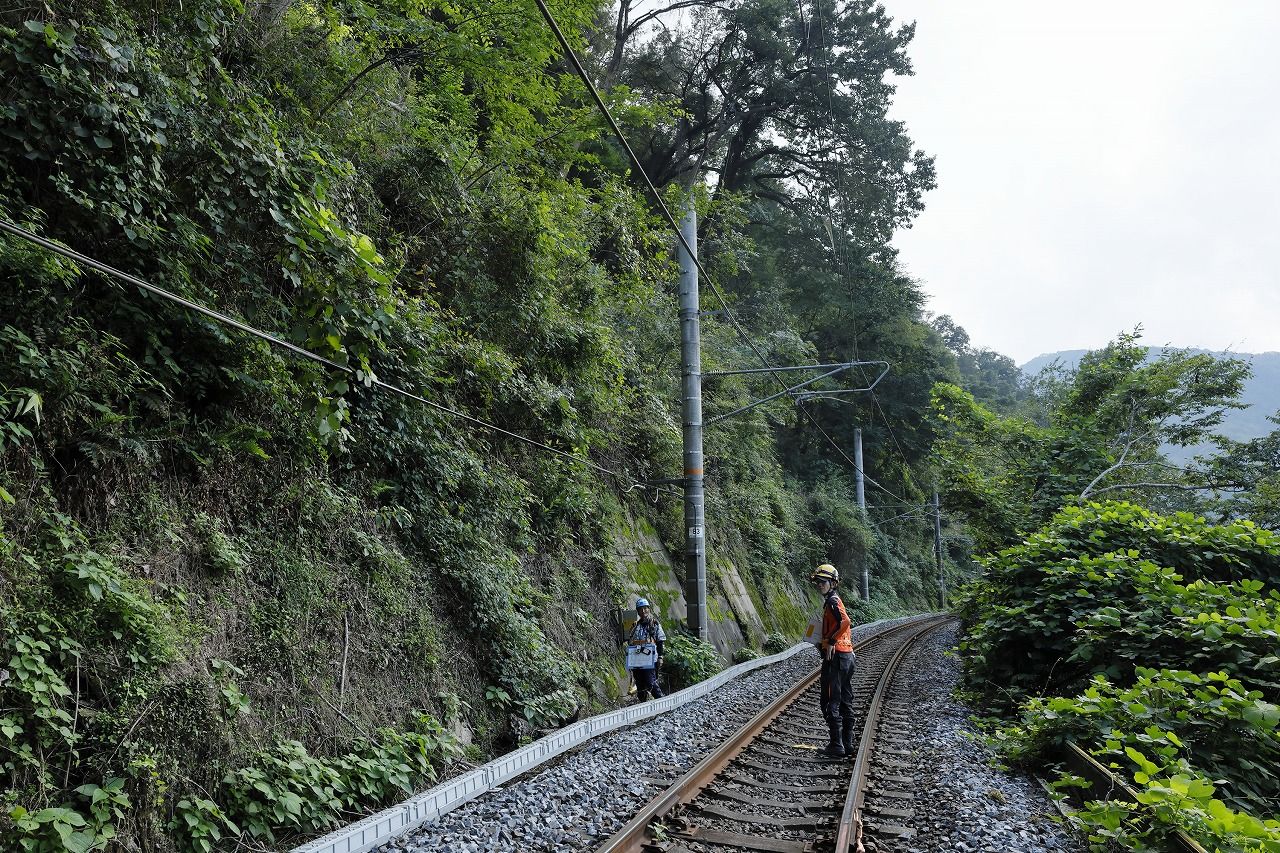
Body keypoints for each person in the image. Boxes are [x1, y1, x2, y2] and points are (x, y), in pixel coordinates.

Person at [811, 563, 856, 757]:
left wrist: (830, 641)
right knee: (845, 699)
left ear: (833, 583)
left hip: (836, 656)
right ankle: (847, 743)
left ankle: (837, 745)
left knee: (830, 700)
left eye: (823, 582)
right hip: (846, 655)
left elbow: (845, 621)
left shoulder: (832, 601)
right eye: (818, 582)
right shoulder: (832, 600)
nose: (820, 585)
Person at [626, 598, 666, 701]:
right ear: (638, 611)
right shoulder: (635, 626)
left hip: (650, 659)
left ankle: (662, 701)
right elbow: (630, 642)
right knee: (640, 684)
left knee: (650, 682)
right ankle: (643, 706)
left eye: (645, 608)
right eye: (640, 609)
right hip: (637, 659)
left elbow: (660, 641)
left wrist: (660, 657)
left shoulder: (654, 624)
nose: (643, 611)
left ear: (649, 609)